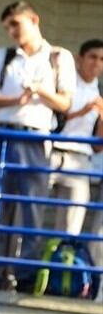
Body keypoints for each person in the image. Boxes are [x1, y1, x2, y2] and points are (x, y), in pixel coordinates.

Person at [0, 1, 75, 290]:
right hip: (4, 133)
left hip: (35, 137)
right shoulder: (4, 55)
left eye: (16, 24)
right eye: (7, 27)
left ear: (34, 19)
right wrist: (15, 100)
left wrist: (40, 91)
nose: (12, 31)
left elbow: (65, 102)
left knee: (32, 207)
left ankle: (25, 274)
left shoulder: (58, 56)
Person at [49, 39, 103, 236]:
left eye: (102, 59)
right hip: (51, 152)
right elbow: (53, 119)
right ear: (80, 59)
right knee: (30, 210)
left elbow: (98, 146)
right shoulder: (64, 82)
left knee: (71, 225)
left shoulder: (100, 91)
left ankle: (60, 255)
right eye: (92, 57)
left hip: (80, 159)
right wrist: (83, 111)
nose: (96, 63)